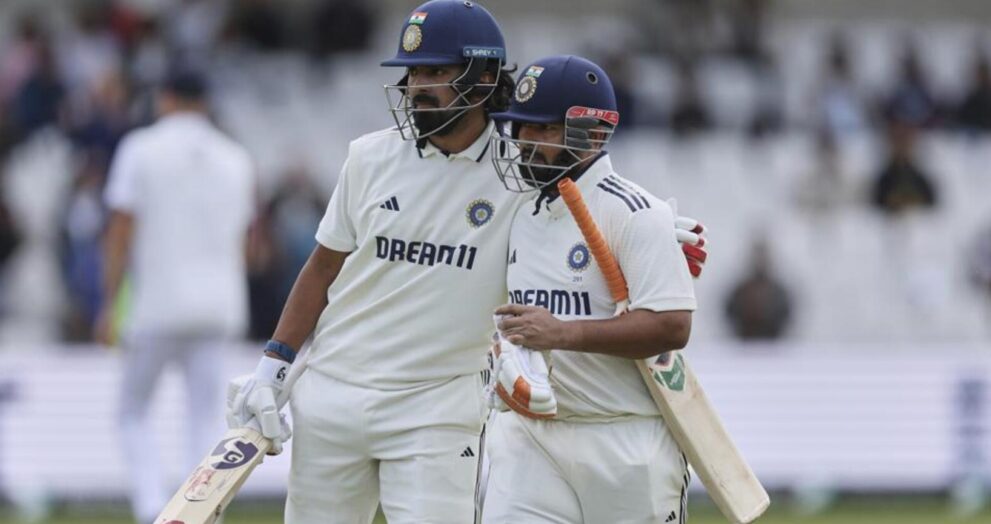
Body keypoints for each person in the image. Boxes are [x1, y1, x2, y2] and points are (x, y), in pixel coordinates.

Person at [225, 2, 706, 523]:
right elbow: (322, 266)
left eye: (435, 71)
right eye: (412, 73)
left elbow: (582, 192)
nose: (416, 86)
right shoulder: (368, 157)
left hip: (438, 411)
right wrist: (274, 366)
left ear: (481, 80)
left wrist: (653, 230)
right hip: (333, 395)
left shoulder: (519, 170)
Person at [482, 55, 698, 523]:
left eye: (542, 130)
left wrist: (564, 334)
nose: (523, 143)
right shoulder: (520, 209)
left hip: (625, 441)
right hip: (532, 441)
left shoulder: (636, 212)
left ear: (592, 133)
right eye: (520, 128)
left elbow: (672, 327)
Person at [97, 68, 256, 524]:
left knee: (131, 411)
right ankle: (203, 511)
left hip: (158, 305)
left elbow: (120, 232)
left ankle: (152, 506)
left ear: (165, 98)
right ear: (204, 101)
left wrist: (109, 304)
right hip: (219, 305)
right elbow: (247, 243)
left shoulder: (140, 149)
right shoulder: (236, 157)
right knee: (204, 416)